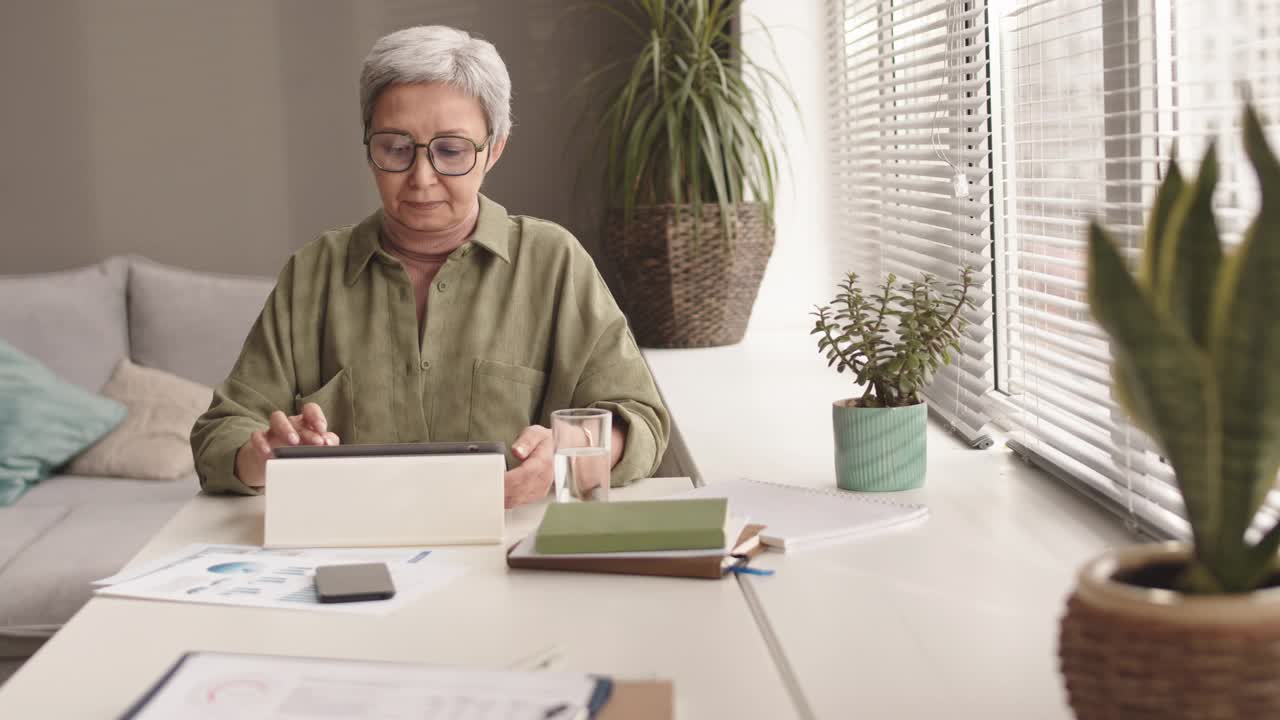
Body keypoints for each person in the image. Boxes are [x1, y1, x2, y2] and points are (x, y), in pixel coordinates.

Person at [190, 25, 670, 508]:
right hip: (352, 543)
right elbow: (222, 432)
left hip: (509, 547)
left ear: (494, 149)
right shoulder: (314, 273)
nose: (421, 178)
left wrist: (568, 452)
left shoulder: (553, 262)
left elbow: (640, 419)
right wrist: (264, 455)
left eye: (451, 151)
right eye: (396, 149)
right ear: (368, 148)